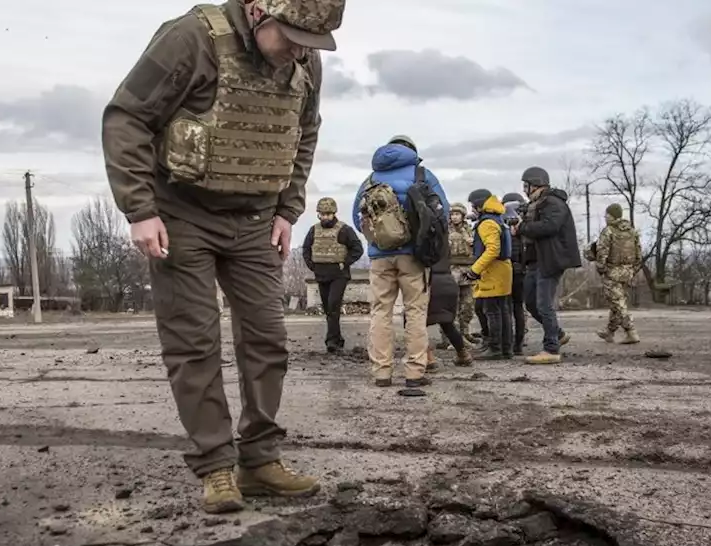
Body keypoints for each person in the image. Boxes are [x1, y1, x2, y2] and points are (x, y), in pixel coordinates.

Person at [102, 0, 343, 514]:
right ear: (259, 12)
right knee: (195, 343)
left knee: (267, 340)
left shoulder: (304, 59)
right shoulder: (192, 39)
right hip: (182, 216)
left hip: (256, 220)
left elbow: (306, 131)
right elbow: (127, 118)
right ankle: (215, 466)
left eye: (313, 43)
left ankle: (259, 461)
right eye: (294, 37)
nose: (302, 51)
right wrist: (139, 209)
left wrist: (287, 208)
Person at [351, 135, 450, 389]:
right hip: (413, 257)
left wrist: (376, 240)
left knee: (380, 312)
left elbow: (356, 217)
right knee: (416, 312)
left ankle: (381, 372)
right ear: (411, 151)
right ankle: (415, 373)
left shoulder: (371, 179)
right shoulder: (422, 175)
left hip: (379, 256)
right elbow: (443, 214)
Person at [517, 167, 582, 364]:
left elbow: (549, 226)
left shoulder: (553, 202)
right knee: (530, 302)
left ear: (535, 184)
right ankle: (558, 334)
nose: (524, 189)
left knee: (544, 305)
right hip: (535, 261)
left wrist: (522, 227)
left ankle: (551, 348)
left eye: (526, 185)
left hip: (550, 260)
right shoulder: (537, 204)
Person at [301, 196, 363, 353]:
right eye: (322, 214)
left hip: (338, 275)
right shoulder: (314, 230)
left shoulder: (344, 230)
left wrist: (345, 263)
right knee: (329, 309)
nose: (325, 217)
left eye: (328, 214)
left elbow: (358, 249)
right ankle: (337, 339)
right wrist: (311, 265)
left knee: (333, 305)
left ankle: (332, 342)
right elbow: (306, 248)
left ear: (334, 213)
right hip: (321, 275)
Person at [466, 189, 513, 359]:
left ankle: (495, 348)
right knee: (502, 310)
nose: (472, 210)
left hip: (493, 271)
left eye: (473, 206)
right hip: (503, 269)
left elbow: (492, 249)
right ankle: (506, 348)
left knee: (491, 310)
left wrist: (474, 270)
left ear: (479, 206)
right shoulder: (498, 219)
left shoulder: (487, 223)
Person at [424, 218, 475, 372]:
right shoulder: (446, 241)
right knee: (447, 323)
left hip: (431, 282)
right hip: (448, 281)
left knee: (415, 322)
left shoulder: (422, 241)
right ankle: (463, 354)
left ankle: (428, 358)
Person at [595, 203, 642, 344]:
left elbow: (601, 252)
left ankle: (631, 332)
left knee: (618, 303)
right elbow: (639, 254)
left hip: (612, 272)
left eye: (607, 215)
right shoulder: (632, 231)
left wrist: (601, 269)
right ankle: (609, 332)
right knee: (617, 301)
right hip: (628, 272)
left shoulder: (608, 231)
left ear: (613, 216)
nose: (605, 217)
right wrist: (632, 270)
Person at [445, 203, 478, 347]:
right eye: (452, 214)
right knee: (452, 305)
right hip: (452, 269)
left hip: (467, 269)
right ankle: (453, 338)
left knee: (468, 305)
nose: (454, 217)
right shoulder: (446, 231)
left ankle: (465, 333)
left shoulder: (469, 230)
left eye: (457, 214)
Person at [502, 193, 529, 356]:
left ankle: (510, 343)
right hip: (521, 270)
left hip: (509, 269)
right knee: (518, 307)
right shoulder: (525, 226)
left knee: (507, 307)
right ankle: (518, 343)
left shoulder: (504, 228)